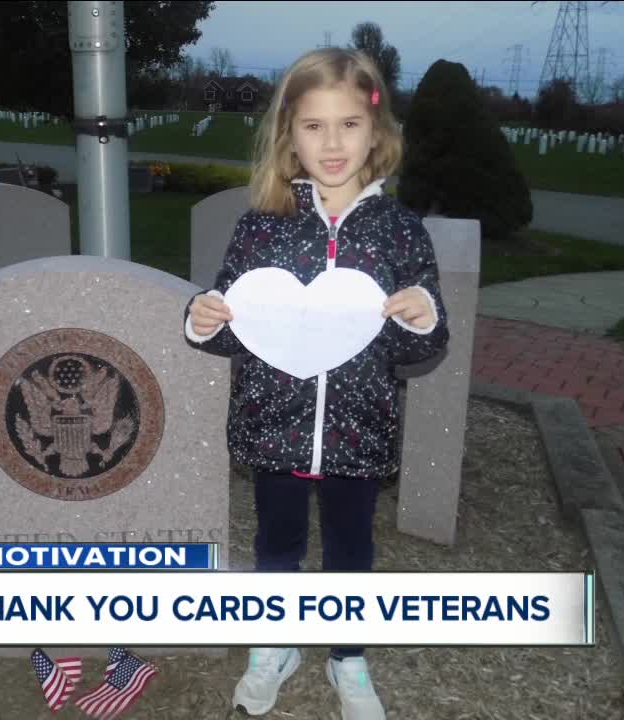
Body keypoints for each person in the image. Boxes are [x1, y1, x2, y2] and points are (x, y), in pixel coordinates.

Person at [182, 48, 450, 720]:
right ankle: (277, 642)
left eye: (349, 125)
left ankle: (347, 655)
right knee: (276, 542)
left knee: (351, 546)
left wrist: (422, 318)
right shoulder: (259, 227)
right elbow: (230, 322)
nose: (333, 143)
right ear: (288, 137)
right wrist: (200, 317)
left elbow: (422, 343)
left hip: (358, 432)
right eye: (313, 126)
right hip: (273, 424)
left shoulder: (400, 232)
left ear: (377, 132)